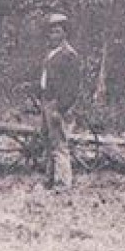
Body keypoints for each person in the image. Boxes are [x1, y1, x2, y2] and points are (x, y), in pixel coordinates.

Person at [37, 14, 82, 188]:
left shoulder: (69, 55)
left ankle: (63, 182)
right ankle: (49, 179)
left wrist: (61, 107)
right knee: (48, 143)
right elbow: (48, 79)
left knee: (59, 143)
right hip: (46, 101)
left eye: (57, 32)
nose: (53, 35)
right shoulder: (52, 53)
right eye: (51, 32)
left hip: (57, 104)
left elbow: (71, 87)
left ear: (64, 33)